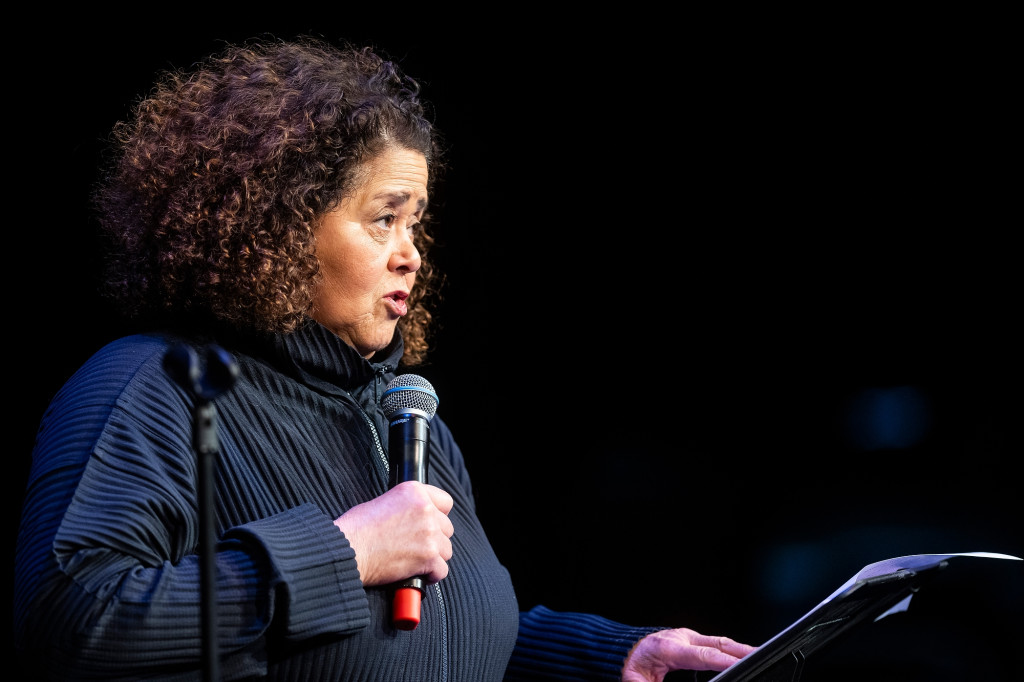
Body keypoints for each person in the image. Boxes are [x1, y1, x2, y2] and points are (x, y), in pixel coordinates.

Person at [13, 36, 756, 681]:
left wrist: (607, 655)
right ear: (281, 225)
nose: (411, 257)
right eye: (384, 219)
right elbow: (72, 623)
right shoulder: (153, 387)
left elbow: (423, 637)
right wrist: (344, 553)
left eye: (416, 224)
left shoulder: (402, 414)